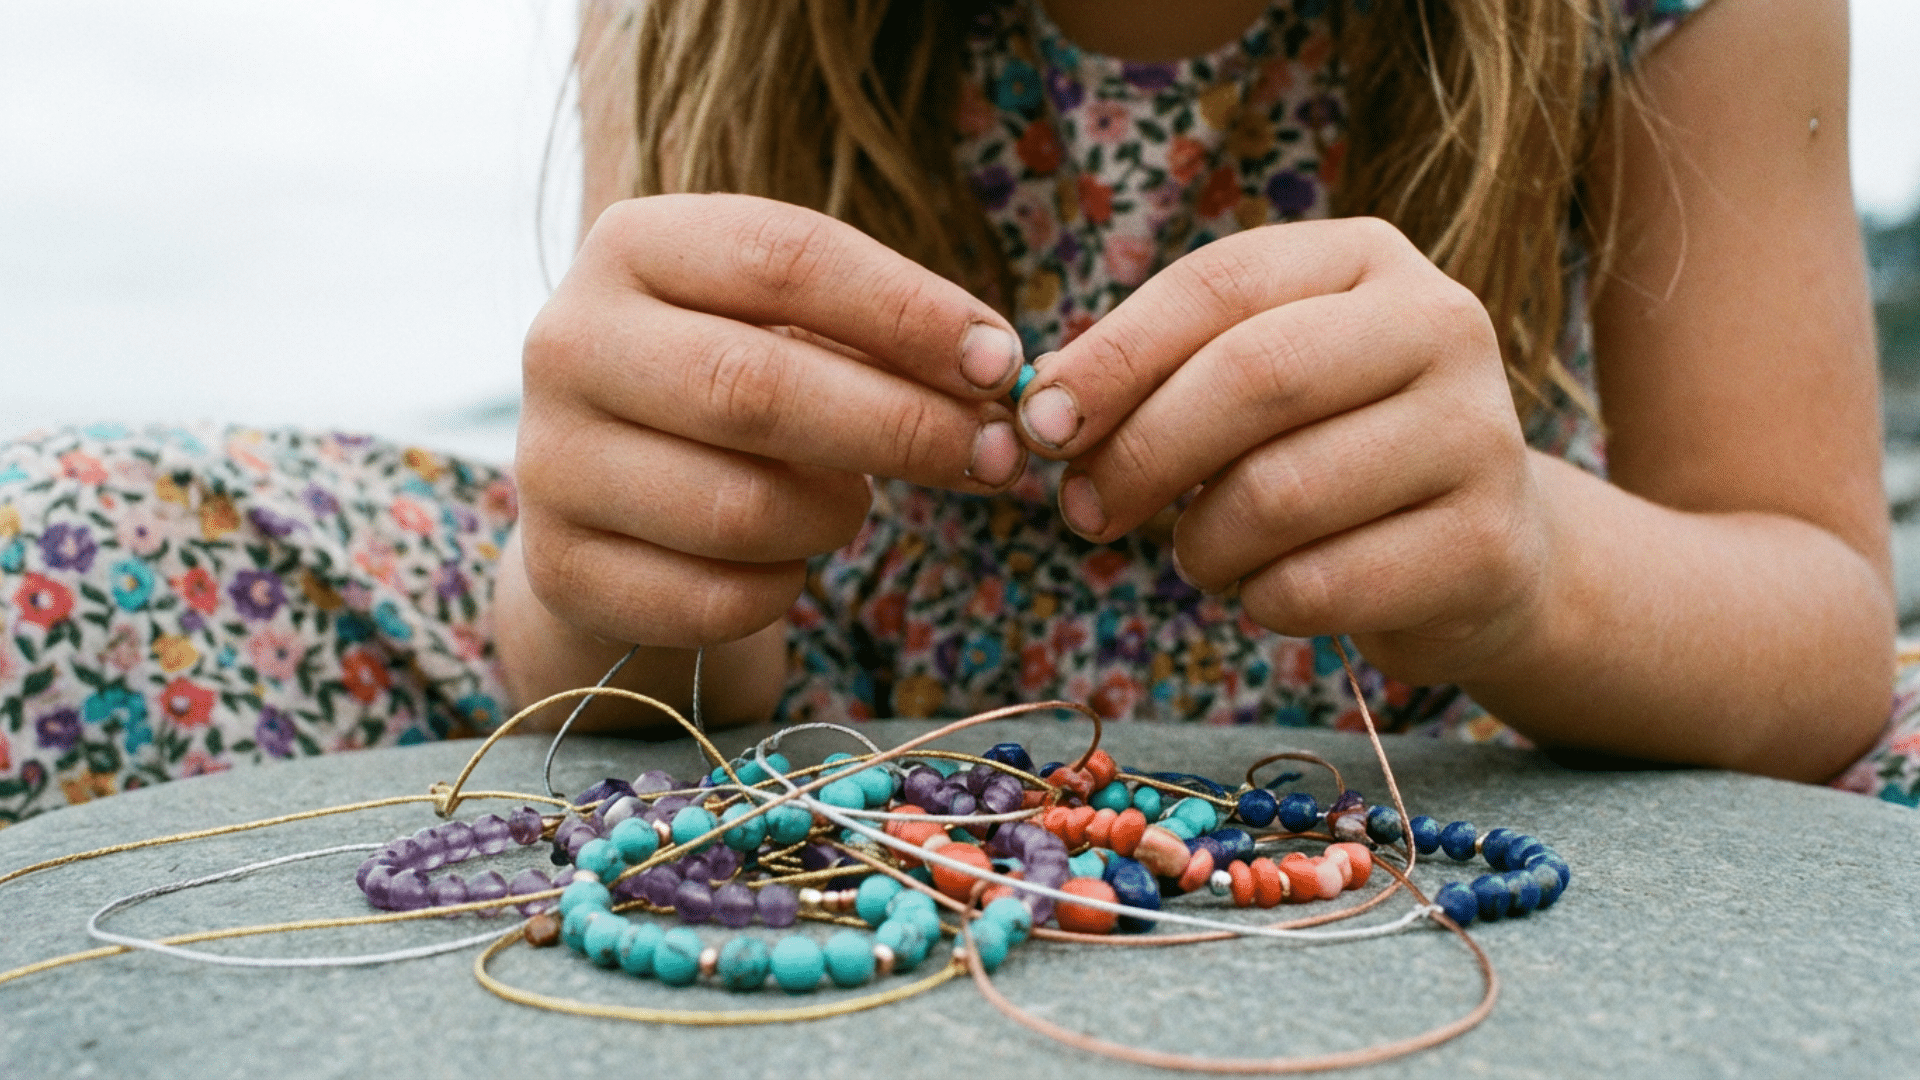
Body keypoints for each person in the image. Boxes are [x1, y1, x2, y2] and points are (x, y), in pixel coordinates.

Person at [1, 0, 1914, 825]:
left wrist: (1531, 570)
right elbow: (617, 650)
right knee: (54, 550)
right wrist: (610, 584)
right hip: (804, 697)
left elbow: (1829, 622)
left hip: (1461, 705)